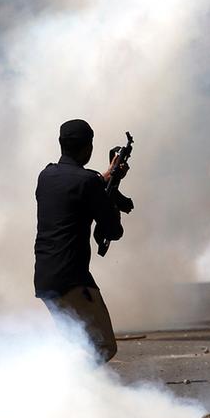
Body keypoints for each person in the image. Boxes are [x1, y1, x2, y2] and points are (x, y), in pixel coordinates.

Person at [34, 119, 129, 364]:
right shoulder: (88, 183)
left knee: (78, 346)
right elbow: (113, 230)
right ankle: (68, 394)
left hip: (45, 279)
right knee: (103, 348)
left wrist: (107, 177)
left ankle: (73, 395)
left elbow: (74, 188)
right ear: (89, 147)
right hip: (73, 281)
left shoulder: (46, 176)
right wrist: (110, 193)